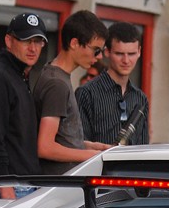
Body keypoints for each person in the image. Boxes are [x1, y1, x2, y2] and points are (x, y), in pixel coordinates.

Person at [0, 12, 47, 200]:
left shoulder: (20, 76)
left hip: (25, 185)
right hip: (9, 188)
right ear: (9, 41)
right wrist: (5, 189)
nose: (33, 48)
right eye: (26, 41)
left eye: (38, 41)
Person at [34, 10, 111, 174]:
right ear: (74, 43)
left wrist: (90, 146)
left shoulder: (57, 76)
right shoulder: (57, 83)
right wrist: (91, 155)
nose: (98, 57)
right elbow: (45, 147)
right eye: (96, 50)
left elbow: (62, 139)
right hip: (59, 187)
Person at [77, 22, 150, 146]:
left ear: (139, 52)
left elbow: (143, 148)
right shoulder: (86, 93)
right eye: (119, 54)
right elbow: (78, 145)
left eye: (131, 54)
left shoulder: (141, 98)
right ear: (107, 52)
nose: (126, 61)